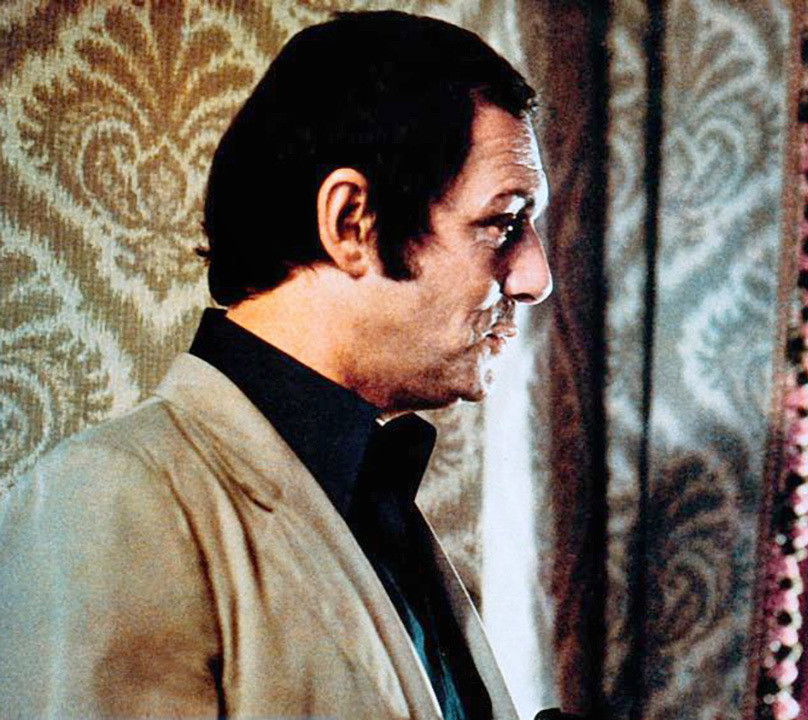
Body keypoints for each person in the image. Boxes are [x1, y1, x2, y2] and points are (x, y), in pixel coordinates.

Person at [0, 11, 552, 719]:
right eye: (503, 223)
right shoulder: (112, 501)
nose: (535, 277)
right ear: (351, 222)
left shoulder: (366, 493)